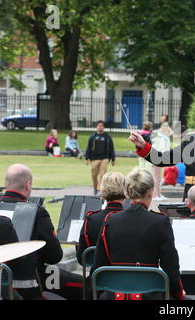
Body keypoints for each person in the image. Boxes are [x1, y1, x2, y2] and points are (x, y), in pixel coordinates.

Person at [91, 167, 184, 300]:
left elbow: (99, 264)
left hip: (114, 294)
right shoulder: (160, 222)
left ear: (128, 193)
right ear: (150, 192)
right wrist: (178, 294)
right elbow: (171, 267)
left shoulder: (110, 221)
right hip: (150, 294)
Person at [0, 164, 69, 300]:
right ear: (28, 185)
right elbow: (55, 256)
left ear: (6, 184)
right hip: (27, 287)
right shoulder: (37, 212)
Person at [76, 172, 126, 299]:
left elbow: (82, 257)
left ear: (102, 190)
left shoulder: (91, 219)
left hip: (98, 280)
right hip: (127, 280)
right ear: (125, 191)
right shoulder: (133, 221)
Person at [84, 121, 116, 196]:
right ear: (96, 127)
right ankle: (95, 188)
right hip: (94, 159)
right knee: (94, 175)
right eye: (99, 126)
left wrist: (113, 159)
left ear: (103, 127)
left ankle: (99, 189)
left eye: (101, 126)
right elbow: (88, 148)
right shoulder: (92, 137)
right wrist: (86, 158)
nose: (100, 127)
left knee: (103, 174)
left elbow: (111, 148)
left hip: (104, 159)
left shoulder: (107, 137)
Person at [151, 123, 172, 200]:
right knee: (156, 178)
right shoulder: (161, 138)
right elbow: (161, 149)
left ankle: (158, 194)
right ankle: (155, 194)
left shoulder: (162, 137)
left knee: (158, 178)